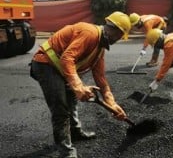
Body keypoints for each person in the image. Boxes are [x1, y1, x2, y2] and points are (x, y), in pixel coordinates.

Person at [30, 11, 131, 158]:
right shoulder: (90, 33)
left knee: (72, 101)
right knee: (60, 109)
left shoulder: (99, 49)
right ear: (115, 30)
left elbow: (101, 78)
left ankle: (75, 132)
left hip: (61, 69)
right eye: (120, 36)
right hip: (46, 64)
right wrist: (78, 86)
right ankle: (66, 152)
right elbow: (67, 58)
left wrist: (112, 103)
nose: (119, 39)